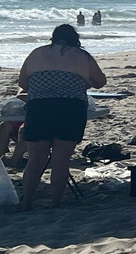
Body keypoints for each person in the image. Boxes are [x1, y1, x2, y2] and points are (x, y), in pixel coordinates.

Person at [17, 24, 106, 209]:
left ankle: (26, 201)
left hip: (39, 107)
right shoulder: (82, 56)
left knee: (35, 159)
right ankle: (55, 202)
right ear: (75, 38)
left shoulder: (36, 53)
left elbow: (23, 83)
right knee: (61, 159)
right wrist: (84, 80)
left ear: (53, 37)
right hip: (70, 107)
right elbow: (101, 82)